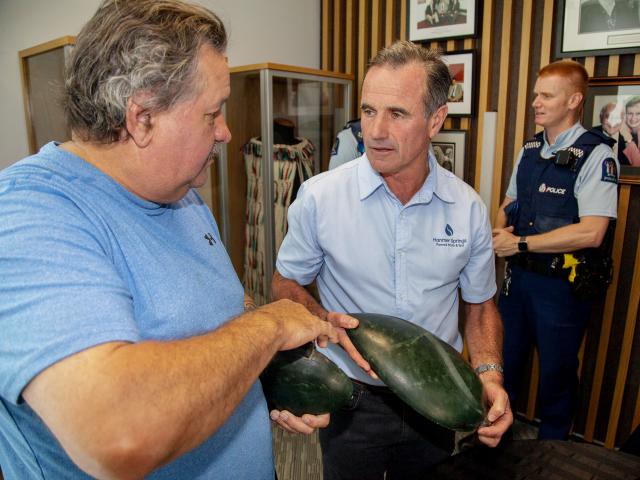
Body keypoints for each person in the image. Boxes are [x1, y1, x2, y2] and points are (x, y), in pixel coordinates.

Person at [0, 1, 342, 479]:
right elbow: (117, 431)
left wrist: (270, 376)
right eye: (213, 113)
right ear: (141, 119)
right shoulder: (30, 214)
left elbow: (212, 314)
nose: (225, 133)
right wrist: (269, 327)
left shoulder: (182, 195)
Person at [270, 40, 512, 479]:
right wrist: (322, 319)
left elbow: (479, 306)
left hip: (436, 398)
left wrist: (490, 375)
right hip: (351, 396)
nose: (375, 131)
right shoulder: (321, 198)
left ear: (435, 119)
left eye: (396, 113)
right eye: (368, 111)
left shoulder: (468, 208)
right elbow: (285, 284)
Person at [493, 60, 619, 440]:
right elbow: (510, 200)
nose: (536, 102)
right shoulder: (531, 148)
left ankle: (554, 451)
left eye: (546, 95)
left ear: (574, 100)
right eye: (536, 94)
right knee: (504, 364)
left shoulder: (597, 155)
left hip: (561, 289)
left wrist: (521, 243)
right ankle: (497, 440)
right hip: (519, 282)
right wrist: (500, 229)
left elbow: (593, 231)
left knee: (557, 376)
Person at [620, 95, 640, 165]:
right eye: (630, 113)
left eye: (638, 114)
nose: (633, 118)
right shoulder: (617, 133)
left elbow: (637, 165)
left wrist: (628, 138)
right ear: (625, 114)